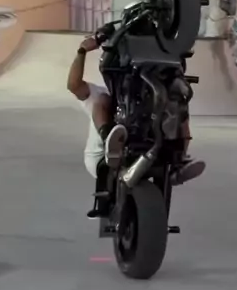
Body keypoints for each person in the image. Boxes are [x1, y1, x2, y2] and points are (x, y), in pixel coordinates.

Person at [66, 35, 205, 217]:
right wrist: (82, 51)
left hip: (145, 149)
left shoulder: (146, 99)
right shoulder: (100, 93)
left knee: (175, 107)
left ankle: (178, 161)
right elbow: (74, 85)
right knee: (103, 100)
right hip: (100, 158)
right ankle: (110, 141)